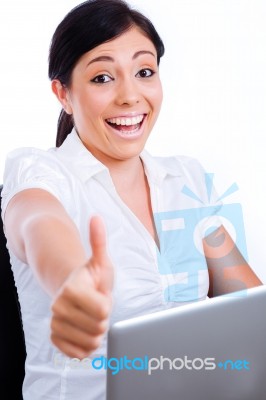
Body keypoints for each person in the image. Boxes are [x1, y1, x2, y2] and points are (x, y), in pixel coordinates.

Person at [1, 0, 262, 399]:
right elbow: (37, 222)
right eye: (102, 77)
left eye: (144, 72)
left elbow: (249, 312)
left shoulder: (186, 179)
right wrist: (73, 281)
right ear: (63, 94)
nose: (129, 96)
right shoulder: (41, 172)